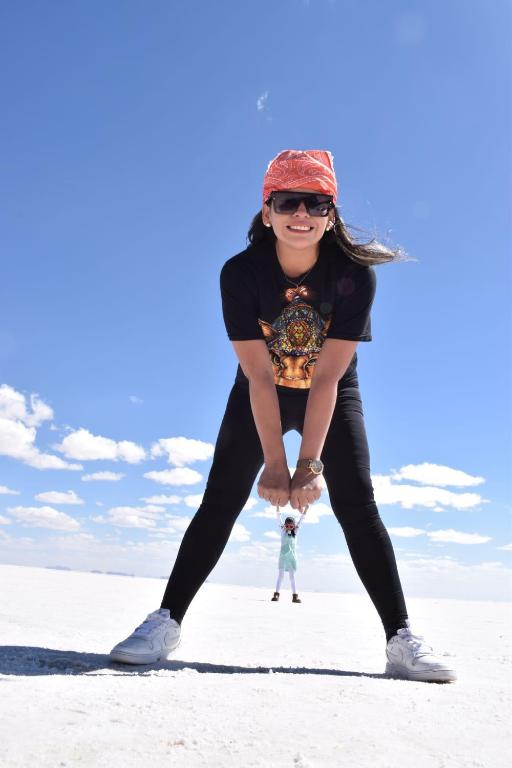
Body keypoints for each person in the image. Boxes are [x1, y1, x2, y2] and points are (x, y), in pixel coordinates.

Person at [109, 149, 457, 683]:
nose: (302, 213)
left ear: (331, 214)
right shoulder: (240, 274)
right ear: (266, 211)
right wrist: (275, 463)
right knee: (220, 499)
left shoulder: (354, 277)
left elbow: (327, 378)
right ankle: (166, 621)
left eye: (316, 203)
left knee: (358, 506)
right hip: (261, 389)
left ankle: (401, 638)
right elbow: (258, 374)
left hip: (330, 392)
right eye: (287, 201)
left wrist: (308, 466)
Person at [271, 507, 306, 603]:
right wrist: (277, 508)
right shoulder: (283, 532)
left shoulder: (295, 532)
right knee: (280, 576)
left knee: (292, 577)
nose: (289, 528)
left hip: (292, 557)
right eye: (287, 526)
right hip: (283, 556)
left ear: (294, 526)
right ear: (285, 526)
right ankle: (276, 594)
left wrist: (306, 510)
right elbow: (279, 519)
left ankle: (295, 596)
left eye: (291, 526)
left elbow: (301, 521)